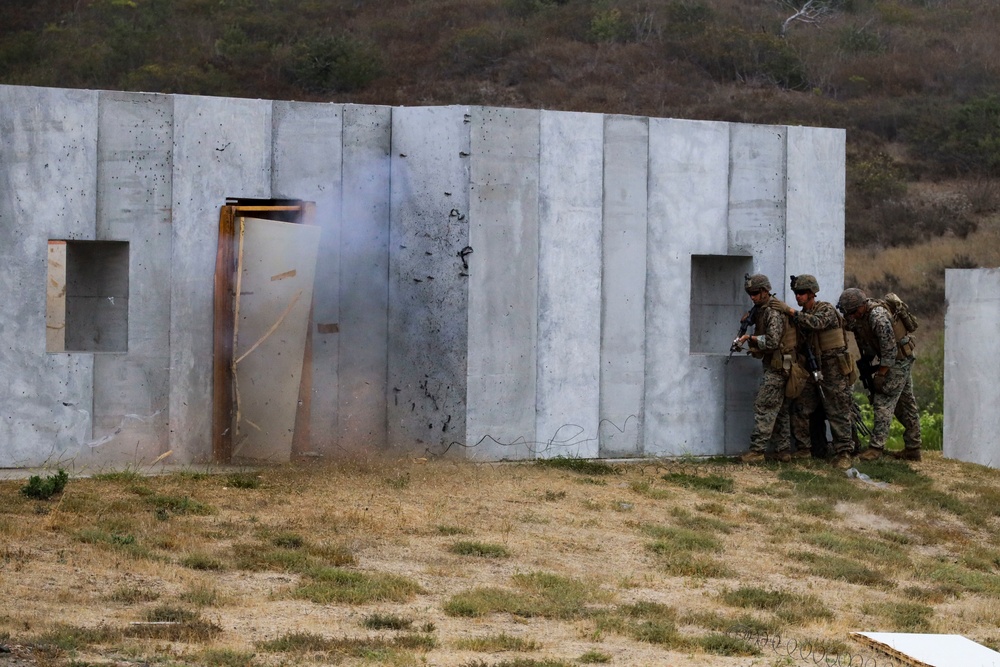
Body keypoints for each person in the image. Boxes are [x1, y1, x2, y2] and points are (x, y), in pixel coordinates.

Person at [837, 287, 922, 461]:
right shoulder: (859, 315)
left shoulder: (879, 318)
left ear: (862, 306)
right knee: (905, 404)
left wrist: (881, 375)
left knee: (883, 400)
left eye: (852, 312)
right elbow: (847, 324)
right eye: (848, 313)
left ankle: (876, 448)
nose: (850, 316)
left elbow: (890, 351)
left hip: (898, 360)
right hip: (894, 359)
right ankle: (913, 448)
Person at [784, 275, 856, 469]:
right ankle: (804, 449)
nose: (798, 297)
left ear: (811, 294)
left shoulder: (825, 309)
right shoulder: (802, 316)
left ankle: (844, 453)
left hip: (833, 368)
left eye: (801, 293)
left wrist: (790, 312)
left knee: (837, 409)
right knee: (800, 405)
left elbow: (816, 323)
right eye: (796, 293)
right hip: (813, 367)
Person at [735, 274, 798, 463]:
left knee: (764, 406)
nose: (752, 297)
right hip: (776, 364)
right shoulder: (762, 309)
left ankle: (757, 451)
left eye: (755, 293)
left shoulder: (773, 311)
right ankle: (783, 451)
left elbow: (771, 341)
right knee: (780, 410)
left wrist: (750, 338)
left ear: (764, 291)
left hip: (779, 366)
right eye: (750, 294)